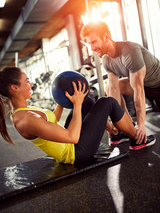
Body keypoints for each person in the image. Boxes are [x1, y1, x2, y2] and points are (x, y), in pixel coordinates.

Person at [0, 67, 156, 165]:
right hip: (76, 153)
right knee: (107, 102)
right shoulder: (26, 120)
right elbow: (72, 137)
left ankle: (115, 132)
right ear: (14, 88)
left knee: (87, 100)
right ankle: (137, 138)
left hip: (70, 143)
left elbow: (51, 120)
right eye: (27, 81)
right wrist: (76, 104)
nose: (31, 84)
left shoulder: (25, 109)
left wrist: (62, 99)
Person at [80, 21, 160, 145]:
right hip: (145, 85)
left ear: (106, 37)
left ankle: (138, 129)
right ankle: (126, 130)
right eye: (89, 44)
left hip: (157, 85)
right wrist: (116, 123)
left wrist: (141, 125)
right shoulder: (107, 60)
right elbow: (114, 90)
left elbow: (138, 90)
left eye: (94, 42)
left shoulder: (130, 52)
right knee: (110, 88)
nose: (92, 49)